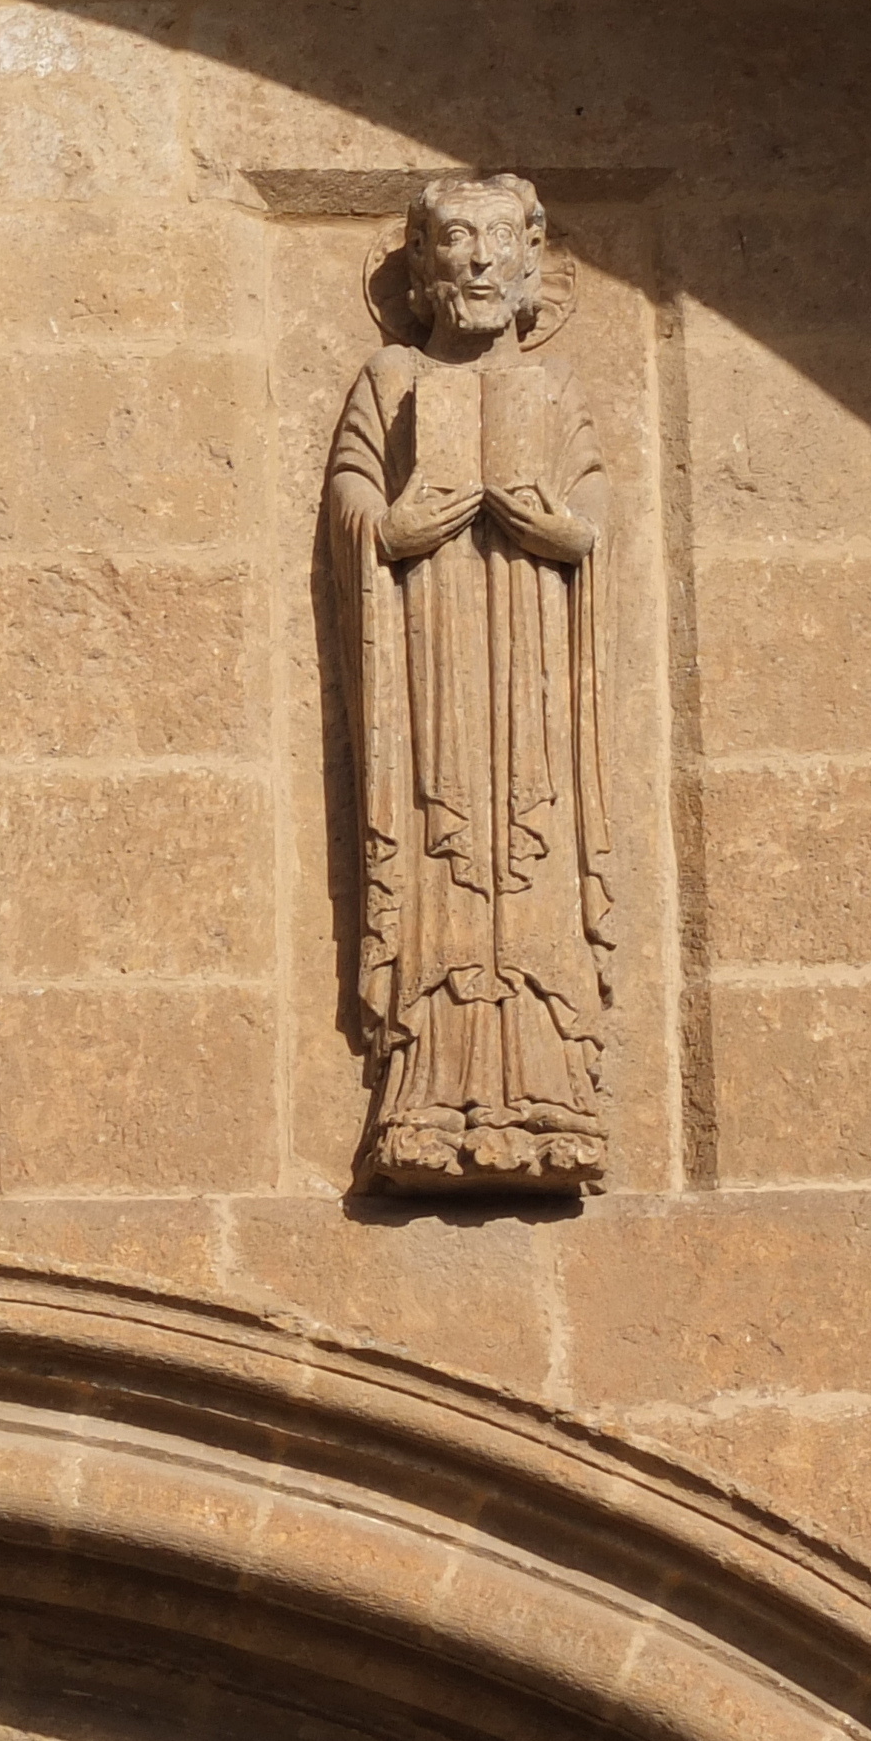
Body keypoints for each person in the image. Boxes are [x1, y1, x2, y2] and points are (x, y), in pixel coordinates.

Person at [324, 174, 613, 1193]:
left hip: (528, 651)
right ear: (423, 268)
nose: (480, 261)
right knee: (436, 839)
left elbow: (596, 524)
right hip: (430, 650)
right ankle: (427, 1090)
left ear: (533, 262)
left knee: (527, 845)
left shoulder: (558, 390)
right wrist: (392, 529)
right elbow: (353, 507)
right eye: (455, 242)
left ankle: (550, 1083)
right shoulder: (389, 379)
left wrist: (560, 533)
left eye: (499, 242)